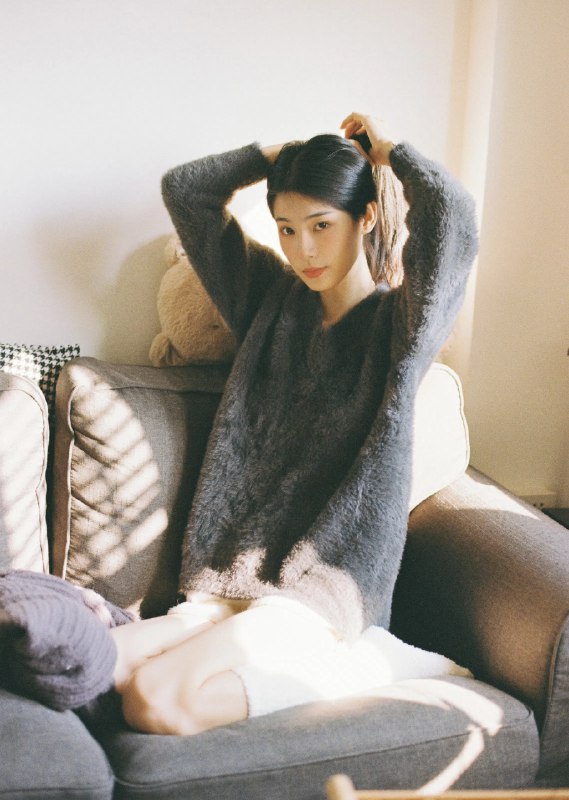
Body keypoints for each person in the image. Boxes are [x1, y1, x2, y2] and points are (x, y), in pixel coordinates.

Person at [107, 112, 478, 736]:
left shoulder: (401, 330)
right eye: (286, 228)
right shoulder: (267, 301)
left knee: (153, 701)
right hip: (228, 580)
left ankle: (370, 665)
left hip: (323, 591)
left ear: (366, 218)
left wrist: (389, 153)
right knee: (104, 667)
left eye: (321, 225)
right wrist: (275, 157)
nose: (303, 249)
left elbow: (452, 218)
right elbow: (186, 192)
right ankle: (345, 663)